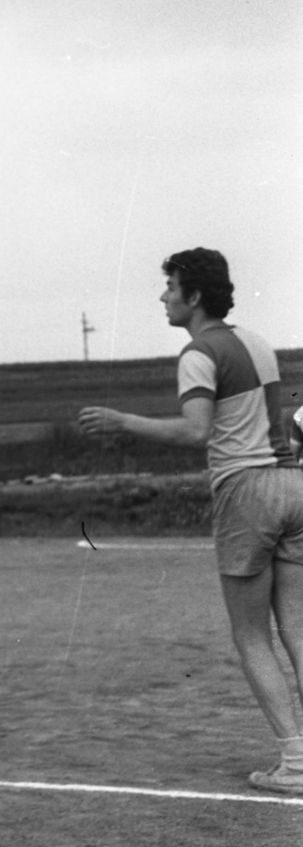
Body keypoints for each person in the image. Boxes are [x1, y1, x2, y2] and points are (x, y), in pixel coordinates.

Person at [80, 248, 303, 795]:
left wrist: (122, 422)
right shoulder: (255, 341)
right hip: (294, 485)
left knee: (251, 633)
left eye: (170, 287)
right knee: (298, 627)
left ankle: (297, 765)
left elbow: (195, 431)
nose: (163, 296)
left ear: (194, 296)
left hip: (247, 492)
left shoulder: (198, 353)